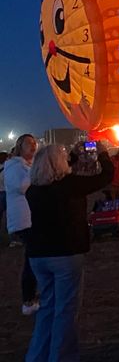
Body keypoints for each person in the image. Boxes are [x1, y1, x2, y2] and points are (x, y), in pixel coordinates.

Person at [25, 143, 113, 362]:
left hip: (38, 255)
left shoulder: (33, 190)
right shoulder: (69, 185)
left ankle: (37, 356)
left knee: (47, 308)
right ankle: (61, 357)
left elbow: (56, 172)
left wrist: (73, 154)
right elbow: (105, 177)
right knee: (65, 310)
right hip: (65, 253)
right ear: (59, 163)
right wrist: (102, 154)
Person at [6, 134, 39, 315]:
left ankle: (31, 296)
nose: (33, 146)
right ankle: (28, 299)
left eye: (34, 143)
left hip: (33, 216)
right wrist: (36, 175)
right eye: (28, 143)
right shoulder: (13, 167)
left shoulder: (29, 166)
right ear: (20, 146)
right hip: (24, 218)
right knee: (32, 259)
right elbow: (21, 186)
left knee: (34, 257)